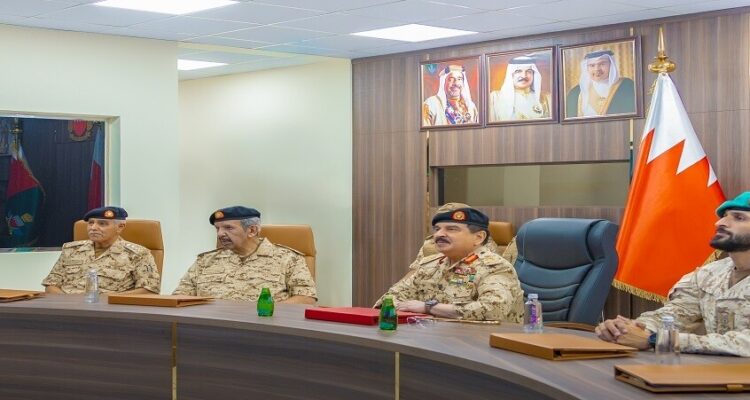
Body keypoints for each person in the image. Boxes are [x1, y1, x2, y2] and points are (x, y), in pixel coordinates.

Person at [595, 192, 750, 357]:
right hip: (717, 370)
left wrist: (657, 340)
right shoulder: (709, 274)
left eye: (739, 218)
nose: (720, 223)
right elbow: (675, 314)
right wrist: (627, 329)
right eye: (724, 216)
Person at [375, 207, 524, 322]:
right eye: (437, 229)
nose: (439, 234)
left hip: (480, 344)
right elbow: (388, 300)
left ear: (478, 237)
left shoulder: (495, 267)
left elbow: (492, 310)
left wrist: (428, 308)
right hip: (430, 338)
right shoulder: (430, 264)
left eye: (451, 229)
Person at [173, 206, 317, 303]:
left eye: (228, 228)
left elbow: (306, 298)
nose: (220, 234)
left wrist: (267, 313)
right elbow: (180, 297)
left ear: (252, 231)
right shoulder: (205, 261)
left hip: (265, 331)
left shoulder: (288, 259)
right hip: (209, 331)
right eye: (217, 229)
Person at [42, 206, 160, 294]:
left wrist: (109, 301)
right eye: (90, 223)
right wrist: (67, 303)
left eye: (102, 224)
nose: (93, 228)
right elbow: (51, 284)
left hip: (110, 311)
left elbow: (149, 290)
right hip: (68, 309)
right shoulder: (71, 250)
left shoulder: (137, 254)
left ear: (120, 227)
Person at [565, 50, 635, 118]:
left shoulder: (626, 86)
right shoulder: (575, 93)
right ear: (586, 68)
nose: (597, 69)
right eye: (592, 65)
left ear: (611, 65)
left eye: (602, 64)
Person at [489, 56, 551, 121]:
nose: (524, 76)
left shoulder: (547, 98)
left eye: (529, 71)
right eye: (518, 71)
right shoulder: (495, 97)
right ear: (511, 75)